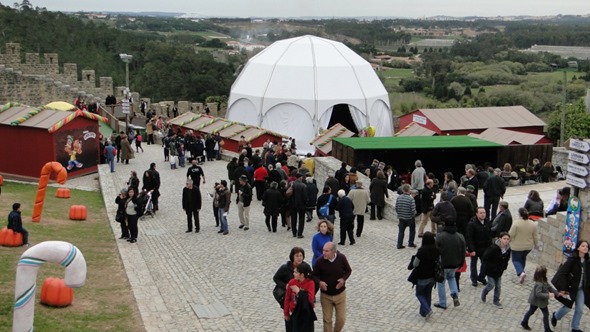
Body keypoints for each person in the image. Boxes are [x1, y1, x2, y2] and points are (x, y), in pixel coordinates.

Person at [550, 239, 590, 332]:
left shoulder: (587, 261)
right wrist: (563, 288)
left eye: (587, 246)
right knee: (567, 308)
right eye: (583, 246)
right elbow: (562, 273)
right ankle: (555, 316)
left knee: (580, 309)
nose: (585, 248)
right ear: (578, 248)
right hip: (570, 288)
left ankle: (575, 328)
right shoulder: (572, 259)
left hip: (580, 289)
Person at [313, 242, 352, 332]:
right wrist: (319, 282)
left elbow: (348, 271)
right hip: (326, 296)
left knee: (341, 320)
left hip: (340, 295)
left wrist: (343, 279)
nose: (324, 253)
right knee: (327, 320)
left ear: (333, 251)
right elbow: (314, 275)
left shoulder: (341, 258)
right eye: (323, 250)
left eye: (326, 251)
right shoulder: (319, 261)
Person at [273, 247, 307, 332]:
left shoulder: (306, 267)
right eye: (297, 256)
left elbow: (311, 281)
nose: (299, 258)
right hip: (289, 301)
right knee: (290, 325)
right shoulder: (285, 268)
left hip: (301, 302)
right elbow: (276, 278)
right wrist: (286, 286)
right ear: (292, 257)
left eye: (301, 255)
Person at [434, 218, 465, 309]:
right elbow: (463, 251)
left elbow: (435, 250)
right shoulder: (460, 236)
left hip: (443, 263)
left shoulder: (440, 236)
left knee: (441, 282)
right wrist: (461, 262)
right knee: (452, 278)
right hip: (455, 263)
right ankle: (454, 294)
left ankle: (442, 303)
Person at [520, 265, 559, 332]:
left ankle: (524, 322)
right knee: (534, 312)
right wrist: (548, 295)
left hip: (540, 302)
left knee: (535, 312)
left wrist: (557, 293)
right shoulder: (539, 283)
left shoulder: (544, 280)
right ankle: (546, 329)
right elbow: (538, 294)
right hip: (536, 301)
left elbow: (549, 287)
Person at [410, 232, 438, 320]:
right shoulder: (437, 250)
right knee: (427, 294)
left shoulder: (421, 251)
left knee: (419, 294)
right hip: (433, 277)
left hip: (422, 277)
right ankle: (424, 312)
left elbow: (415, 264)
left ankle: (427, 309)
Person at [283, 262, 317, 332]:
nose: (293, 274)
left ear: (302, 275)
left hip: (306, 314)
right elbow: (287, 298)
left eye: (296, 272)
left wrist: (299, 292)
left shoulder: (310, 283)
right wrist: (286, 313)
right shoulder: (292, 282)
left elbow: (310, 299)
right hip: (294, 313)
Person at [481, 232, 511, 308]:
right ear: (500, 239)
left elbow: (507, 259)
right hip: (490, 270)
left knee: (498, 286)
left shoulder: (508, 250)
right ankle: (484, 292)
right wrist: (490, 266)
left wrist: (504, 267)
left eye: (507, 239)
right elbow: (485, 257)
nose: (506, 240)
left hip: (499, 271)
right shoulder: (493, 248)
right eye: (504, 238)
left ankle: (496, 300)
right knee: (491, 284)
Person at [510, 207, 538, 283]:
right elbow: (535, 236)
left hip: (517, 246)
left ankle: (521, 273)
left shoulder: (516, 223)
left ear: (519, 214)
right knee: (522, 258)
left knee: (515, 260)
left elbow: (511, 234)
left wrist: (507, 242)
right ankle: (522, 271)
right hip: (528, 246)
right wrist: (536, 245)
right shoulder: (533, 224)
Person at [466, 207, 493, 287]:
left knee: (485, 263)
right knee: (473, 264)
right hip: (475, 247)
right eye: (481, 213)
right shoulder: (472, 224)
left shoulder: (487, 222)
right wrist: (471, 249)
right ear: (477, 214)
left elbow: (489, 234)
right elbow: (469, 237)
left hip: (485, 247)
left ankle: (481, 277)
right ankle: (474, 279)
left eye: (484, 212)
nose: (483, 214)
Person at [395, 184, 417, 249]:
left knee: (401, 231)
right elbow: (413, 210)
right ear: (409, 190)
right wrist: (414, 214)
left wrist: (399, 214)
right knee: (412, 230)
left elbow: (396, 207)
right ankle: (410, 243)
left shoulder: (399, 197)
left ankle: (399, 244)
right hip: (409, 218)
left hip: (401, 217)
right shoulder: (411, 199)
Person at [290, 174, 308, 239]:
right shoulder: (303, 185)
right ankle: (300, 233)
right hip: (301, 204)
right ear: (300, 178)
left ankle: (294, 232)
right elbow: (305, 197)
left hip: (293, 204)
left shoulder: (292, 184)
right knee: (301, 219)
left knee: (293, 219)